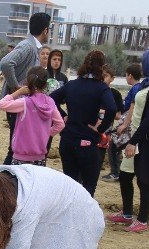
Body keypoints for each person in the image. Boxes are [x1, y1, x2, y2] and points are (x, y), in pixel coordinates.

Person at [107, 48, 149, 233]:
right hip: (138, 136)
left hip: (148, 140)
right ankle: (127, 213)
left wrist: (133, 141)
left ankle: (143, 220)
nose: (142, 65)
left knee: (144, 180)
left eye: (145, 61)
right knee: (125, 175)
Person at [50, 50, 116, 196]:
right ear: (101, 67)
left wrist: (63, 116)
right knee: (88, 185)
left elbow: (51, 99)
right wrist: (101, 128)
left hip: (67, 140)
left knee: (70, 183)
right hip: (86, 140)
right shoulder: (101, 87)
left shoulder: (72, 84)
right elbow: (111, 109)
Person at [0, 13, 51, 163]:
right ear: (45, 30)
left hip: (21, 104)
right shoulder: (28, 46)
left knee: (16, 148)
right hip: (17, 104)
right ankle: (4, 182)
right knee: (14, 149)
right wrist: (16, 87)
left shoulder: (32, 46)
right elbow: (6, 63)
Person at [0, 66, 64, 167]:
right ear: (45, 83)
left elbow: (0, 104)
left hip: (20, 156)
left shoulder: (25, 102)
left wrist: (18, 92)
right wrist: (46, 133)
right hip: (40, 156)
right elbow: (60, 124)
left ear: (28, 81)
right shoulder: (50, 102)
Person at [103, 63, 142, 184]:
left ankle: (116, 172)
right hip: (129, 120)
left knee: (114, 144)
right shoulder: (140, 87)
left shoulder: (135, 88)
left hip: (128, 120)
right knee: (122, 145)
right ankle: (122, 171)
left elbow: (132, 107)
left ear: (130, 76)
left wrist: (124, 124)